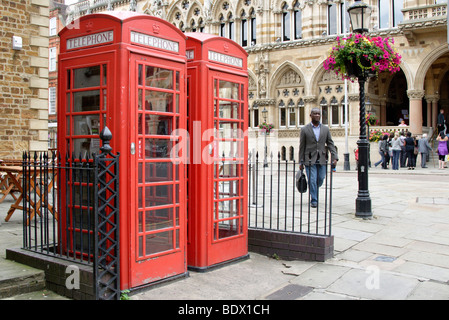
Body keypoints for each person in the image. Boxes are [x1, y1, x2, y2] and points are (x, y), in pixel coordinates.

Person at [299, 108, 338, 208]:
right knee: (312, 180)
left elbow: (330, 143)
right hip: (309, 159)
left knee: (320, 179)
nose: (317, 115)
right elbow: (302, 146)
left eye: (318, 114)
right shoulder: (304, 129)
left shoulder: (325, 129)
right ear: (310, 115)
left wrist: (335, 157)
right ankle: (314, 199)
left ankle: (313, 189)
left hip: (322, 158)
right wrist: (301, 162)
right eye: (315, 114)